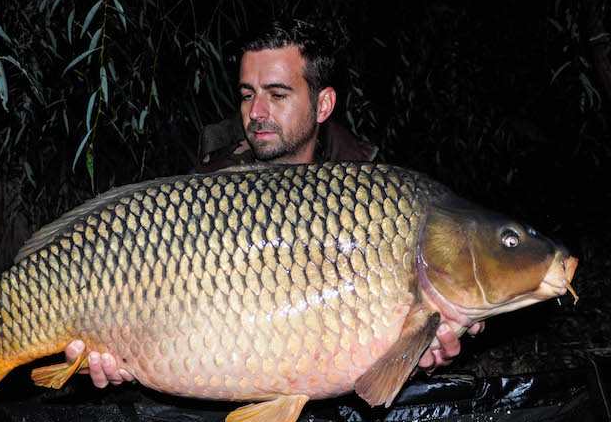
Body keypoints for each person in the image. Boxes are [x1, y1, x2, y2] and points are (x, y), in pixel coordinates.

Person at [64, 19, 483, 389]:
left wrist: (420, 361)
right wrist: (117, 357)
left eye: (277, 94)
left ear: (323, 104)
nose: (256, 112)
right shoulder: (206, 191)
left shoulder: (373, 195)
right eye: (248, 94)